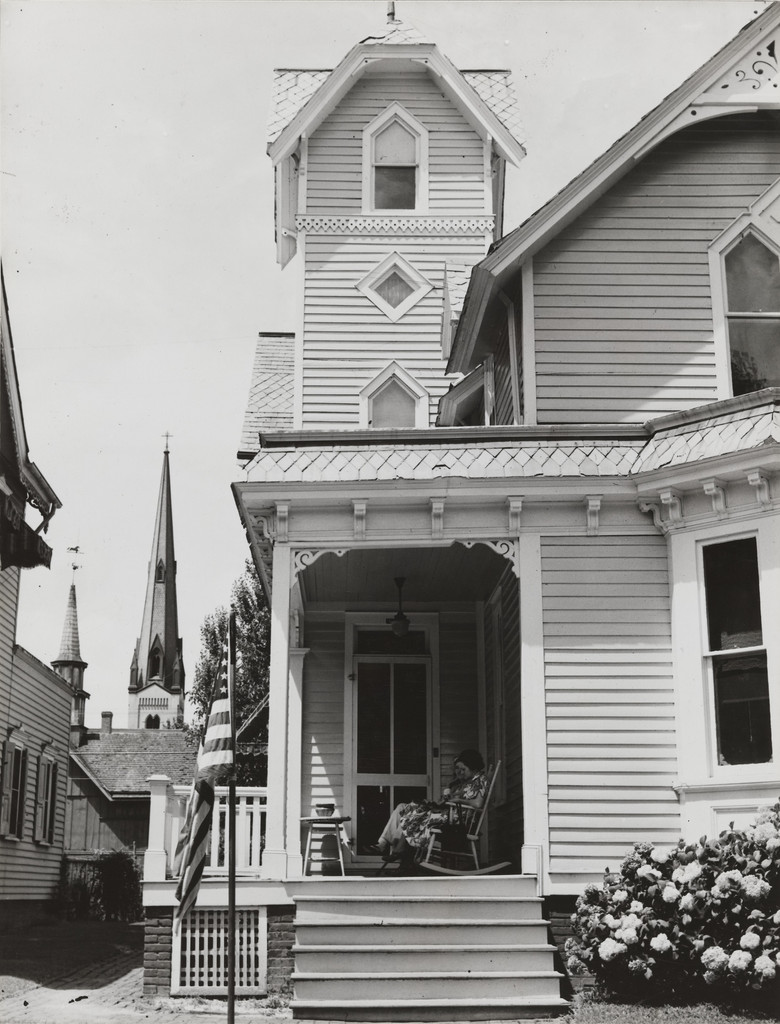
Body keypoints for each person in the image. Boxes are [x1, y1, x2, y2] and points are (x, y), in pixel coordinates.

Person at [373, 749, 488, 867]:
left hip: (459, 821)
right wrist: (441, 801)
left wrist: (458, 800)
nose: (459, 772)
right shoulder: (461, 783)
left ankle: (397, 849)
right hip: (449, 815)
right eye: (457, 768)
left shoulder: (480, 780)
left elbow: (478, 804)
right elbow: (446, 802)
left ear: (473, 767)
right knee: (406, 807)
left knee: (413, 811)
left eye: (463, 769)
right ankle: (391, 846)